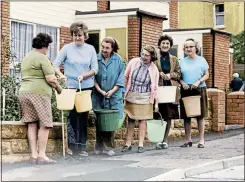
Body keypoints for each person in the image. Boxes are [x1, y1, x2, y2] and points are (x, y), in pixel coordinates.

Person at [54, 21, 98, 156]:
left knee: (83, 116)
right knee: (72, 116)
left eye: (80, 35)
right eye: (75, 35)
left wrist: (84, 76)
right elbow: (55, 64)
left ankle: (82, 147)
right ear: (72, 35)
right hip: (71, 87)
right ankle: (72, 147)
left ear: (85, 35)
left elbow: (95, 69)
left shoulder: (90, 49)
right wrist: (61, 75)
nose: (77, 38)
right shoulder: (66, 48)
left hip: (86, 87)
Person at [19, 33, 62, 164]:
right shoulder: (43, 58)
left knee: (31, 123)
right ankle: (42, 155)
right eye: (48, 46)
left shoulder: (27, 57)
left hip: (24, 92)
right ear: (45, 46)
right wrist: (59, 88)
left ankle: (33, 155)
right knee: (46, 124)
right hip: (39, 93)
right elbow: (50, 79)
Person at [122, 45, 159, 153]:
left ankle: (140, 144)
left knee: (143, 120)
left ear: (152, 57)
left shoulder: (154, 69)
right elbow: (126, 76)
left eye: (146, 55)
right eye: (142, 54)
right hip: (132, 94)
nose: (144, 57)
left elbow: (155, 86)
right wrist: (123, 91)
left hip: (145, 96)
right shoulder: (133, 62)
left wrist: (156, 103)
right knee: (131, 119)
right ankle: (128, 143)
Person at [92, 37, 125, 156]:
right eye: (103, 47)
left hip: (113, 95)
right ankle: (99, 146)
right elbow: (93, 77)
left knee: (110, 122)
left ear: (112, 49)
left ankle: (109, 147)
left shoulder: (118, 60)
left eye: (107, 48)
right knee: (99, 120)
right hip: (98, 95)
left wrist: (112, 91)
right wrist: (100, 90)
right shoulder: (96, 58)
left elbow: (121, 77)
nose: (104, 50)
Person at [179, 38, 209, 148]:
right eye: (186, 47)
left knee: (200, 116)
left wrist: (199, 81)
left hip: (199, 89)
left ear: (196, 48)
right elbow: (179, 77)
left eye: (191, 46)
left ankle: (201, 140)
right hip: (186, 89)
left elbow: (207, 75)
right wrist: (182, 83)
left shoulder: (202, 60)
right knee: (186, 116)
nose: (188, 49)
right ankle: (188, 140)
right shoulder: (181, 61)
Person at [155, 35, 181, 150]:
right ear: (159, 45)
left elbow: (179, 74)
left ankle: (165, 140)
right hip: (157, 89)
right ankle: (158, 139)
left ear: (170, 46)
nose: (165, 45)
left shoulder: (174, 59)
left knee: (168, 115)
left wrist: (170, 75)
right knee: (157, 115)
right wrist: (158, 74)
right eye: (163, 43)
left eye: (167, 44)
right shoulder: (154, 58)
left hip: (170, 89)